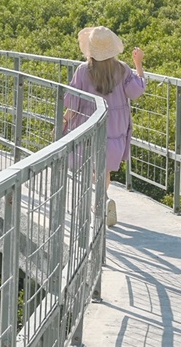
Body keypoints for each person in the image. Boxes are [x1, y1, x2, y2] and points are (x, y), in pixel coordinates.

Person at [62, 25, 146, 227]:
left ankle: (97, 201)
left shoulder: (83, 71)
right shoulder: (123, 69)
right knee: (104, 168)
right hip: (115, 126)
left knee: (88, 165)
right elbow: (136, 91)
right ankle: (103, 199)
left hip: (89, 125)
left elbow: (72, 103)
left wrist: (64, 121)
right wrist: (139, 64)